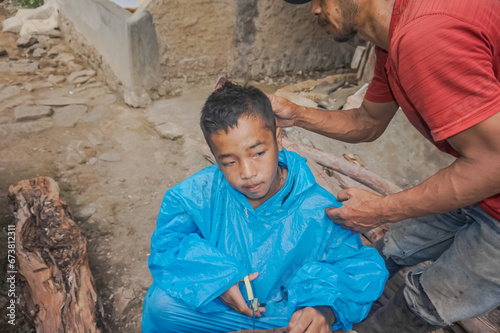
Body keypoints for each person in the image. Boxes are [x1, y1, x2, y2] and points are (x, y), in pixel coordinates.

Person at [272, 0, 500, 332]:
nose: (314, 10)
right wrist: (298, 114)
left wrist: (381, 210)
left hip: (491, 181)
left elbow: (493, 162)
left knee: (430, 298)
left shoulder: (424, 36)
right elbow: (368, 121)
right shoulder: (392, 41)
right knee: (392, 247)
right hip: (482, 175)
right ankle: (341, 307)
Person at [141, 81, 388, 332]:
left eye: (258, 153)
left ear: (278, 139)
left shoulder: (318, 208)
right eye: (229, 162)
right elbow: (168, 244)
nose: (247, 173)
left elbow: (361, 267)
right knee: (161, 305)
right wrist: (216, 280)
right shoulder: (197, 194)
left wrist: (324, 309)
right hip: (223, 310)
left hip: (281, 316)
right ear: (216, 158)